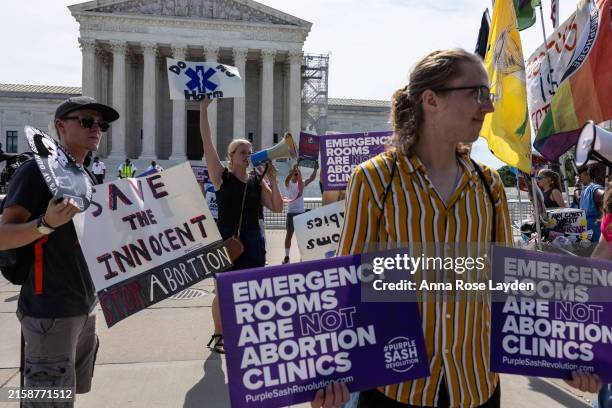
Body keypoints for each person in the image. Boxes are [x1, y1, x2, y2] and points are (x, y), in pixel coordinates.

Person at [336, 49, 513, 408]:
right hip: (398, 389)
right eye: (477, 93)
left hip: (476, 386)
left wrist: (572, 358)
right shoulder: (375, 180)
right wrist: (333, 371)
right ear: (431, 100)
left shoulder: (489, 184)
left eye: (488, 94)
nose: (488, 107)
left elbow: (505, 283)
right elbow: (348, 284)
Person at [0, 96, 119, 406]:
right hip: (49, 311)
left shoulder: (85, 177)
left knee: (65, 397)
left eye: (101, 124)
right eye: (87, 121)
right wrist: (44, 223)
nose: (97, 129)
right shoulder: (35, 172)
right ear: (59, 126)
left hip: (82, 306)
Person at [199, 97, 283, 354]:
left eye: (249, 151)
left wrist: (273, 180)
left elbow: (277, 207)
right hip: (226, 238)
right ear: (231, 156)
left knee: (252, 291)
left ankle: (248, 334)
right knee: (222, 292)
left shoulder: (258, 181)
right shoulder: (220, 176)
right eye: (242, 152)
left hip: (253, 240)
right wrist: (203, 109)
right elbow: (207, 142)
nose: (247, 155)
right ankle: (219, 334)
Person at [282, 162, 318, 264]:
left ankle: (303, 256)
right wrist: (293, 171)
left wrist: (315, 169)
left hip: (301, 213)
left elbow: (311, 179)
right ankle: (287, 256)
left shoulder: (301, 183)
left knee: (302, 237)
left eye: (298, 173)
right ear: (292, 173)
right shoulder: (288, 184)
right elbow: (286, 179)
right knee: (289, 235)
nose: (297, 175)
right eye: (295, 174)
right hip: (291, 213)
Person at [579, 165, 604, 242]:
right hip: (594, 231)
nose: (580, 178)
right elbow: (603, 195)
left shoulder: (591, 188)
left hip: (591, 229)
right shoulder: (594, 188)